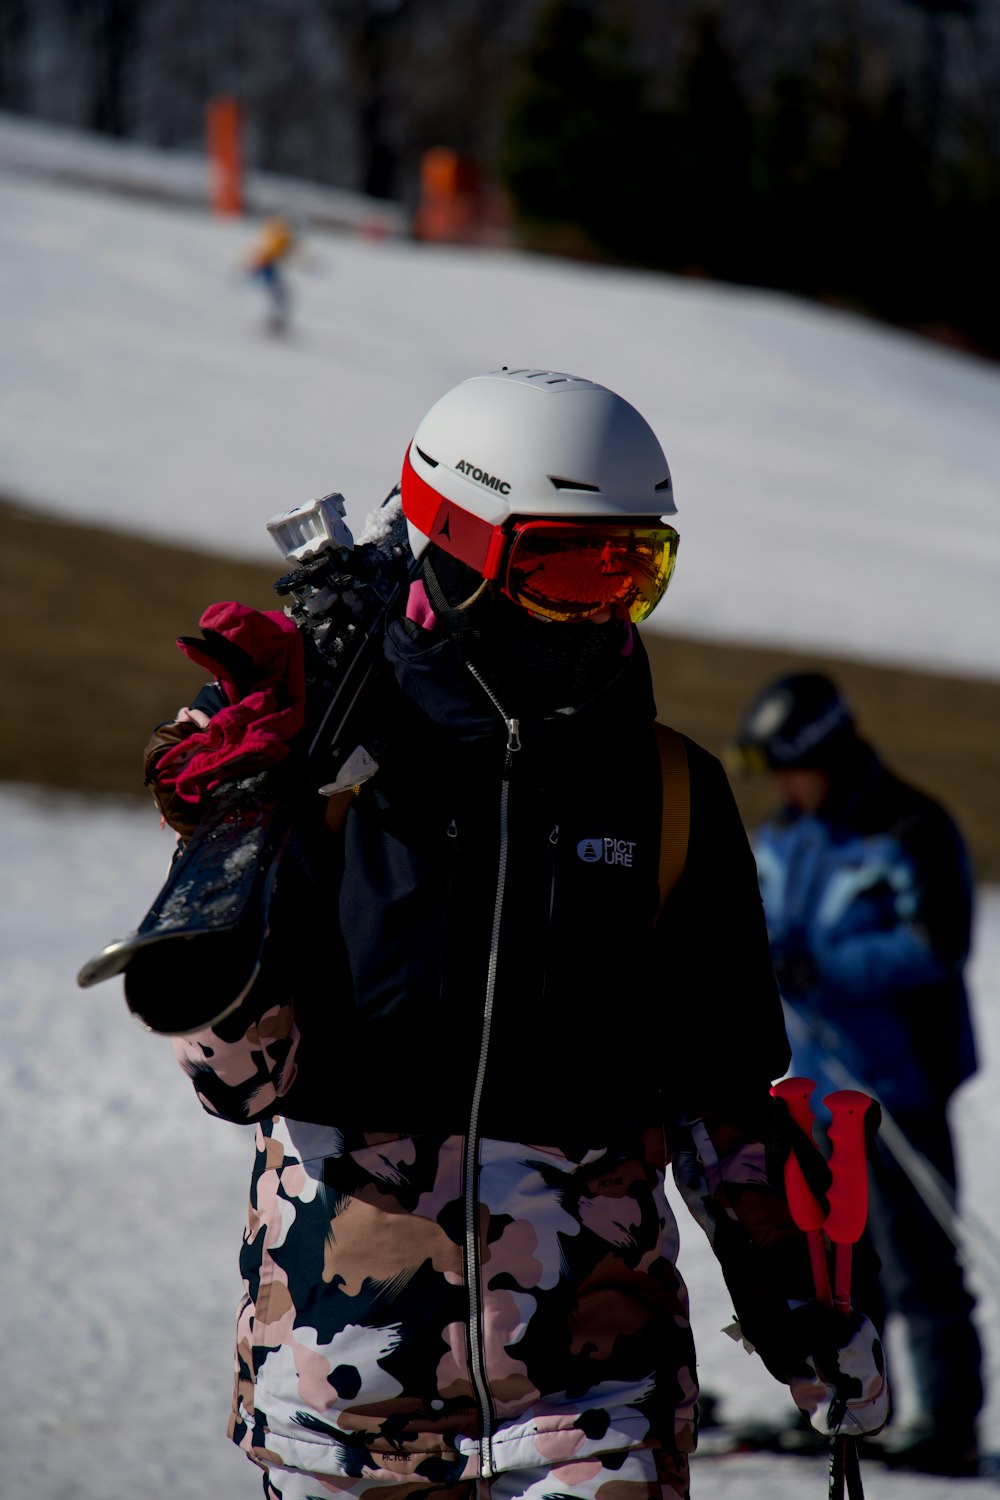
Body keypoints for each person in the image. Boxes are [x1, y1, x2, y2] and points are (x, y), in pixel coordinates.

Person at [147, 370, 888, 1500]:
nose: (602, 604)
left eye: (632, 566)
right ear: (456, 543)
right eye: (564, 564)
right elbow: (236, 1084)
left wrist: (807, 1314)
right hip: (342, 1397)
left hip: (597, 1395)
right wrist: (236, 837)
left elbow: (721, 1099)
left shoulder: (668, 794)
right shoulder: (331, 769)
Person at [730, 669, 983, 1478]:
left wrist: (823, 964)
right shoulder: (784, 835)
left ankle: (948, 1425)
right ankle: (848, 1403)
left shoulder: (908, 827)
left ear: (826, 755)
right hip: (815, 1086)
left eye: (789, 768)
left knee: (919, 1263)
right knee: (832, 1262)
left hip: (896, 1082)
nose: (784, 787)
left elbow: (938, 942)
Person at [244, 214, 297, 334]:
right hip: (269, 270)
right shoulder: (278, 237)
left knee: (280, 296)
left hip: (270, 270)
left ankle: (276, 322)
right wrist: (254, 268)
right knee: (279, 296)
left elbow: (282, 254)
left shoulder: (282, 238)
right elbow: (265, 253)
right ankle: (275, 323)